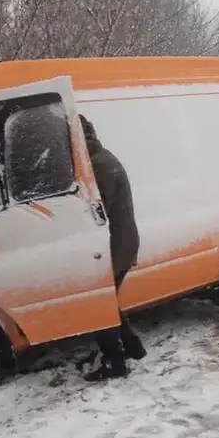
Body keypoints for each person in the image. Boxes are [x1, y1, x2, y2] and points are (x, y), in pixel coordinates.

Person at [79, 115, 148, 382]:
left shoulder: (99, 165)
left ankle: (116, 363)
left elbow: (97, 211)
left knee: (98, 306)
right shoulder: (102, 158)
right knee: (108, 302)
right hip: (122, 242)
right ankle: (132, 347)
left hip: (116, 245)